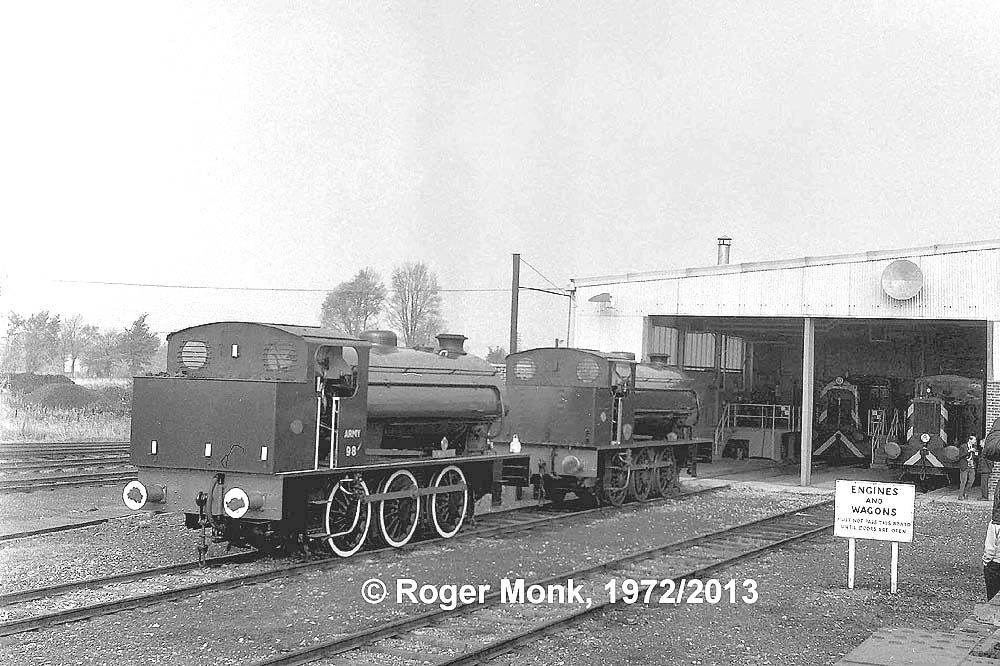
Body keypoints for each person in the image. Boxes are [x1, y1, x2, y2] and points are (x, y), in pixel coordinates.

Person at [960, 434, 979, 500]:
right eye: (974, 440)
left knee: (971, 480)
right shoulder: (963, 446)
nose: (975, 441)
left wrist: (976, 453)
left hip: (971, 466)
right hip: (964, 466)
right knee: (963, 481)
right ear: (970, 440)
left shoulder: (974, 447)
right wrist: (969, 451)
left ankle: (966, 493)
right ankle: (960, 496)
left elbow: (975, 457)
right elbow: (961, 455)